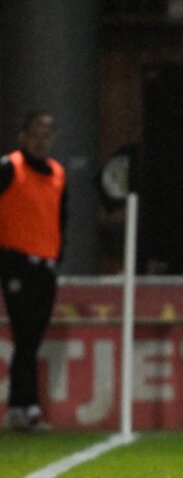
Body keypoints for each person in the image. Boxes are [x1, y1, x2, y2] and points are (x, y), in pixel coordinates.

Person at [0, 112, 66, 432]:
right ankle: (26, 407)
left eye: (47, 134)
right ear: (23, 136)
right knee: (24, 333)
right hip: (15, 261)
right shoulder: (9, 167)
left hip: (45, 265)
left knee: (32, 337)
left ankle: (20, 407)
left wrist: (58, 254)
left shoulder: (58, 173)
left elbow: (61, 217)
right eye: (36, 134)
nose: (41, 141)